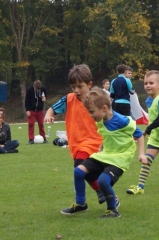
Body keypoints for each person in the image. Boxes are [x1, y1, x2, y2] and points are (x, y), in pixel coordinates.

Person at [61, 87, 147, 218]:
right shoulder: (101, 120)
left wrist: (141, 154)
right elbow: (107, 134)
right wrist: (101, 145)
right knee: (78, 171)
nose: (90, 115)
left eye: (92, 112)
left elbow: (139, 134)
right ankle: (80, 204)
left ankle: (112, 209)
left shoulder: (122, 121)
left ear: (104, 108)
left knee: (103, 181)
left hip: (120, 158)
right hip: (105, 155)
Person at [44, 64, 109, 205]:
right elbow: (52, 109)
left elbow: (109, 116)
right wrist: (48, 115)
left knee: (79, 168)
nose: (76, 90)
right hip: (76, 144)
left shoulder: (97, 100)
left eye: (80, 86)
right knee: (85, 171)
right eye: (73, 87)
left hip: (94, 142)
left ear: (89, 84)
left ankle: (81, 203)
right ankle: (101, 191)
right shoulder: (68, 99)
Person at [126, 70, 159, 195]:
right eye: (146, 83)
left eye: (151, 83)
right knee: (146, 161)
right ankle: (140, 186)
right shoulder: (148, 100)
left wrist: (147, 130)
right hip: (155, 138)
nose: (148, 86)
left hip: (152, 133)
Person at [25, 80, 47, 144]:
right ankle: (31, 139)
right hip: (31, 110)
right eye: (36, 89)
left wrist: (44, 98)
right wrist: (27, 110)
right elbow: (27, 100)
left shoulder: (43, 89)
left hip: (40, 110)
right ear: (34, 86)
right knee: (31, 124)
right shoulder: (29, 90)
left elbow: (45, 96)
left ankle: (44, 138)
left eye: (38, 89)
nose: (37, 90)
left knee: (41, 124)